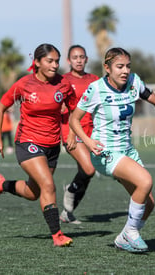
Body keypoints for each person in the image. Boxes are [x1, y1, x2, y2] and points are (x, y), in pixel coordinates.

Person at [69, 47, 155, 252]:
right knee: (145, 180)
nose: (125, 71)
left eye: (128, 66)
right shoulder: (96, 89)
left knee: (148, 205)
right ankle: (132, 231)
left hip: (127, 150)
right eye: (119, 66)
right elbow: (74, 119)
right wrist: (87, 142)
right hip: (104, 152)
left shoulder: (135, 82)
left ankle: (124, 237)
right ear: (107, 68)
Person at [0, 43, 78, 247]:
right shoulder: (24, 84)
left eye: (56, 61)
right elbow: (0, 107)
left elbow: (74, 110)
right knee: (48, 185)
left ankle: (2, 185)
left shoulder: (63, 84)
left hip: (52, 146)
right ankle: (57, 236)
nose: (55, 65)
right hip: (28, 142)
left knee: (33, 192)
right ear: (37, 62)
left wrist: (71, 133)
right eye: (49, 61)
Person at [60, 45, 99, 224]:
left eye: (81, 57)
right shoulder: (63, 80)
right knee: (89, 169)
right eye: (74, 57)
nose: (78, 60)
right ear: (69, 60)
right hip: (72, 131)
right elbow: (62, 109)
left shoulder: (94, 80)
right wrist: (70, 134)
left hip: (91, 131)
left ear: (86, 59)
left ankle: (67, 213)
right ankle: (70, 190)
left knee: (86, 174)